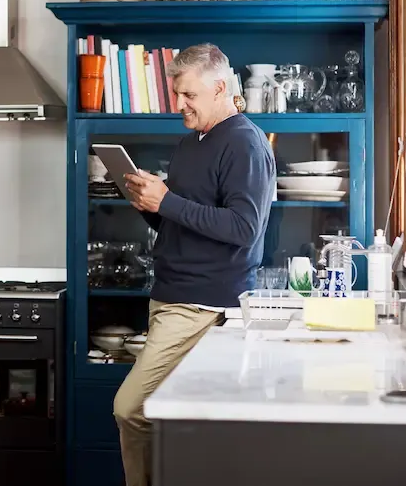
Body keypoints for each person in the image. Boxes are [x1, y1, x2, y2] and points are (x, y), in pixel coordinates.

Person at [112, 43, 276, 486]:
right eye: (176, 94)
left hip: (200, 306)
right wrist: (149, 202)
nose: (179, 104)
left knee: (131, 408)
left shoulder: (245, 142)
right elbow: (183, 217)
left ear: (220, 88)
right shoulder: (191, 142)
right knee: (172, 419)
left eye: (189, 95)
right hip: (170, 297)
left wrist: (167, 201)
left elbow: (244, 227)